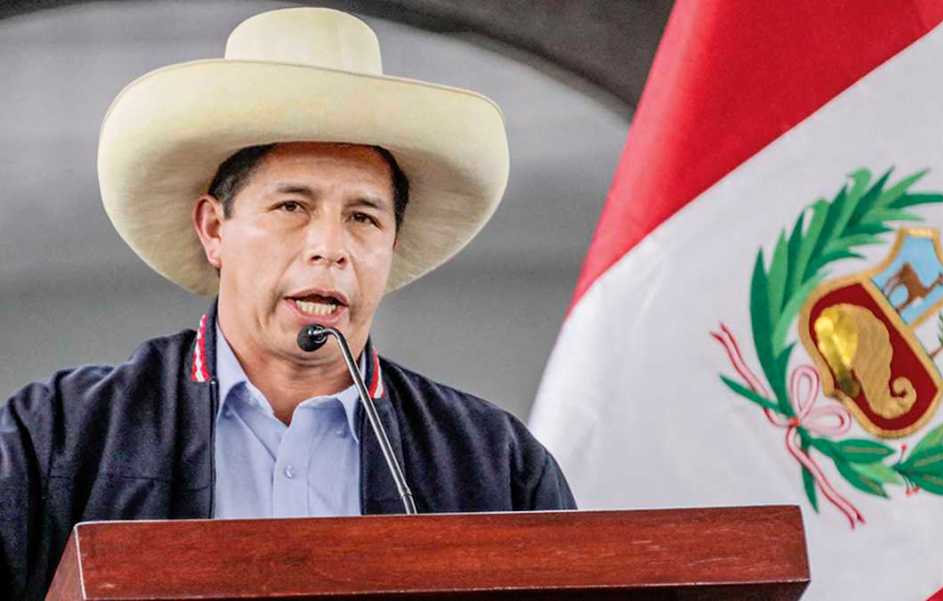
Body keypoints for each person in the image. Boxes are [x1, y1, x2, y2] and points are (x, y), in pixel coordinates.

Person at [0, 8, 575, 600]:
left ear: (392, 245)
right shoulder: (56, 437)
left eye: (363, 217)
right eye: (292, 207)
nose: (330, 248)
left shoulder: (495, 463)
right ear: (214, 229)